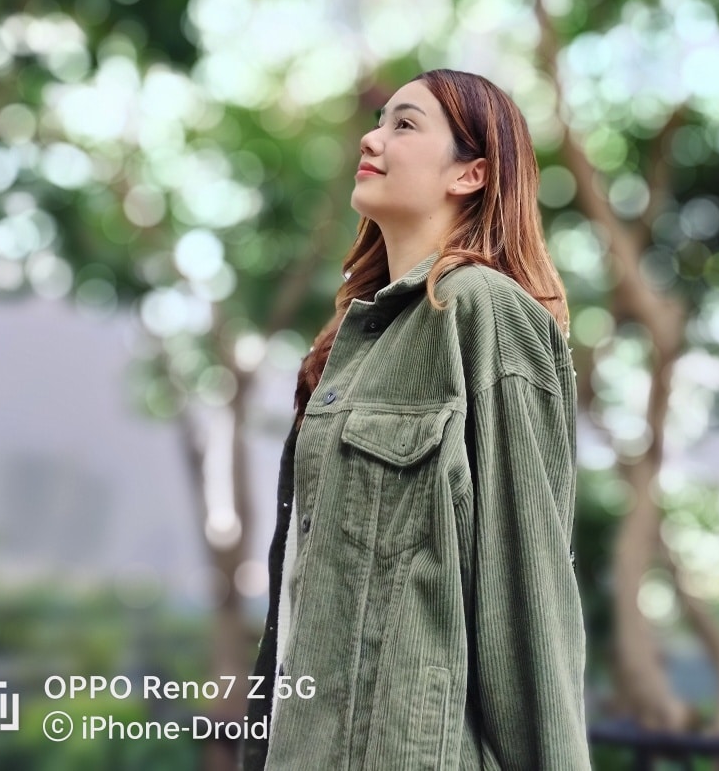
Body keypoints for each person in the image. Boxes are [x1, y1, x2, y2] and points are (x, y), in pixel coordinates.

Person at [242, 68, 592, 770]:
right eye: (380, 120)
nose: (372, 136)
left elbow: (528, 598)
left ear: (472, 174)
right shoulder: (349, 341)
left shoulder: (484, 313)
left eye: (405, 124)